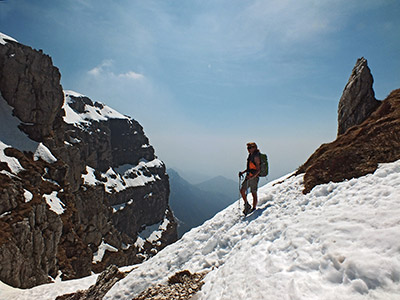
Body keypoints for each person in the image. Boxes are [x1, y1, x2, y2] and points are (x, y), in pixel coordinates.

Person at [239, 142, 261, 215]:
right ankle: (247, 205)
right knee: (242, 190)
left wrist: (252, 176)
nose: (248, 149)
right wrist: (243, 172)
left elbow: (258, 169)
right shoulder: (250, 155)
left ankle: (254, 208)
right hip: (249, 176)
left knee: (253, 193)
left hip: (253, 177)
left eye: (250, 148)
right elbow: (250, 167)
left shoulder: (256, 157)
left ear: (254, 148)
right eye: (247, 148)